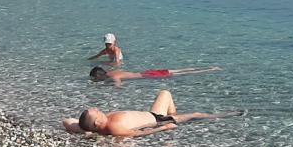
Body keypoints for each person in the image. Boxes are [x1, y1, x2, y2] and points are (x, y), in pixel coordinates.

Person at [62, 90, 239, 138]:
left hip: (152, 113)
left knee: (165, 93)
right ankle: (229, 114)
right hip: (158, 120)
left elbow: (67, 121)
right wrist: (164, 128)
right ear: (97, 123)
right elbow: (138, 133)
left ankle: (175, 115)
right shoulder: (113, 126)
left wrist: (83, 130)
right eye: (97, 112)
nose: (98, 108)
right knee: (195, 114)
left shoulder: (96, 126)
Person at [89, 65, 220, 87]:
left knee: (178, 74)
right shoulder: (112, 72)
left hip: (147, 76)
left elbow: (118, 84)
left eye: (95, 78)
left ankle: (206, 71)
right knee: (179, 70)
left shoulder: (112, 77)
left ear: (99, 76)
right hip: (147, 72)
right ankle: (211, 67)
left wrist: (113, 88)